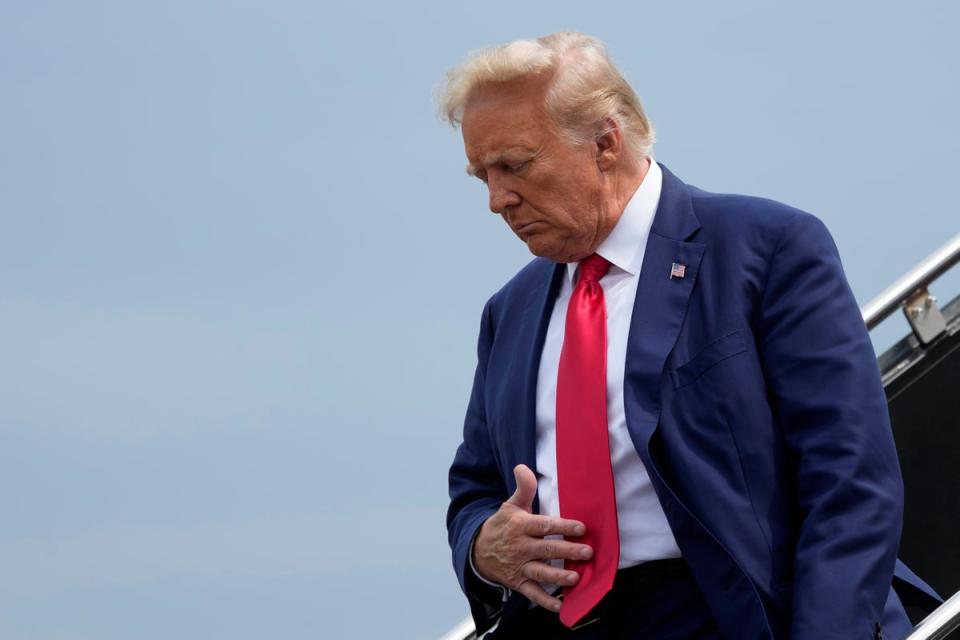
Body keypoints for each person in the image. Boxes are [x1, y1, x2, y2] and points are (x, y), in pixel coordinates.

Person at [441, 32, 939, 639]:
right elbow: (474, 488)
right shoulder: (510, 312)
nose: (497, 200)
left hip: (730, 614)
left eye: (514, 166)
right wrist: (482, 547)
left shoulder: (766, 248)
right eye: (481, 176)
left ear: (605, 142)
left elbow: (851, 483)